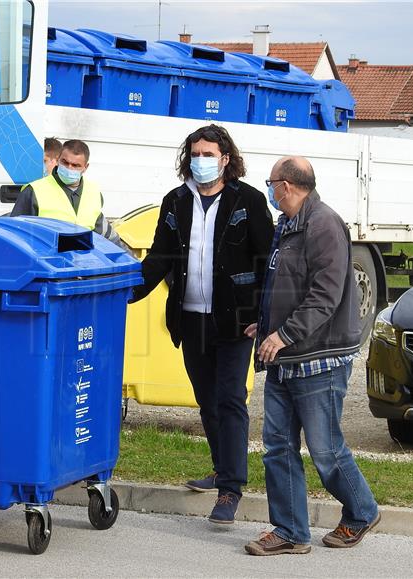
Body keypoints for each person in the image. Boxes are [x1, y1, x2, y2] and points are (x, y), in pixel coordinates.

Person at [130, 124, 274, 524]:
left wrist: (262, 316)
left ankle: (231, 489)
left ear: (226, 158)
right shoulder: (175, 201)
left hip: (236, 321)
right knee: (207, 400)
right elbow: (159, 258)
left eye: (209, 154)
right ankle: (220, 466)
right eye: (196, 153)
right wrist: (124, 293)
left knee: (231, 399)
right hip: (191, 318)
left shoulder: (248, 199)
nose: (201, 161)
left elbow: (268, 261)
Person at [244, 156, 379, 556]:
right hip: (286, 356)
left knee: (325, 450)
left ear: (285, 185)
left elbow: (325, 295)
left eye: (271, 183)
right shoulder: (288, 224)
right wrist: (264, 324)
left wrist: (283, 334)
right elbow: (280, 283)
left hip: (318, 359)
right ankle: (289, 532)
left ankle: (361, 511)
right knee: (278, 447)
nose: (269, 190)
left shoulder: (323, 225)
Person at [11, 138, 120, 242]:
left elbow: (107, 235)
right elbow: (14, 234)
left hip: (83, 260)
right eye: (65, 162)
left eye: (75, 165)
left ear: (85, 167)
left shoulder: (94, 193)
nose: (69, 168)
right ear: (58, 160)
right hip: (46, 260)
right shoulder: (34, 191)